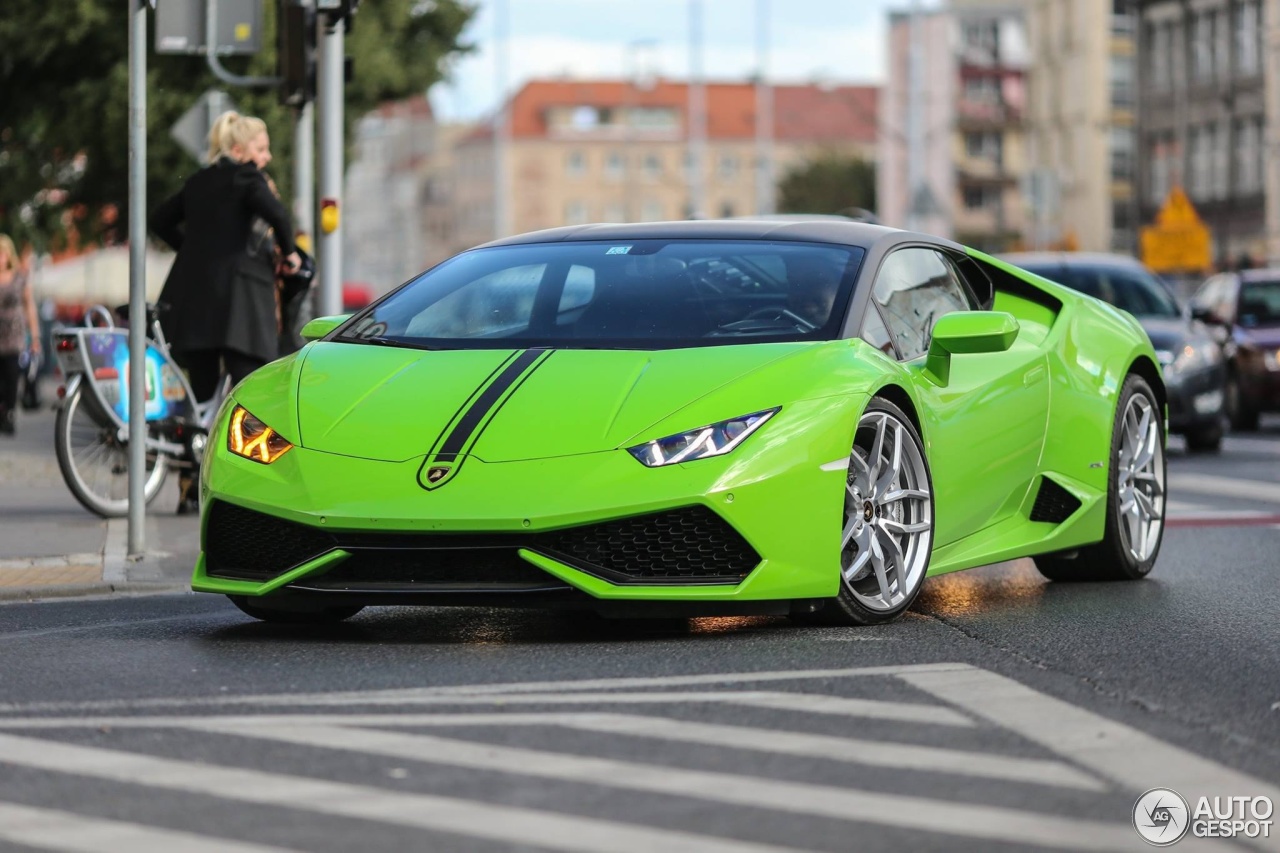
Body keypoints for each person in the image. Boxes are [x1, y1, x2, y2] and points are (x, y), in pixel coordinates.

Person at [149, 111, 300, 512]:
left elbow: (159, 219)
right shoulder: (246, 178)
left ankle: (186, 486)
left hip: (194, 296)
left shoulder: (198, 181)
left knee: (197, 395)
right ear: (239, 150)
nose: (265, 158)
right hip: (239, 304)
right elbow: (279, 216)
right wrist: (291, 254)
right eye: (260, 149)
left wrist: (196, 248)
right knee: (250, 392)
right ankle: (249, 489)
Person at [0, 234, 40, 437]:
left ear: (9, 255)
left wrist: (35, 337)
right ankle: (3, 410)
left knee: (12, 376)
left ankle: (9, 414)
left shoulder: (19, 276)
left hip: (14, 336)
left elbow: (29, 307)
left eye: (2, 253)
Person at [784, 252, 846, 328]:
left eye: (815, 282)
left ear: (842, 287)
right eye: (794, 284)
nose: (802, 293)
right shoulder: (775, 329)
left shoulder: (857, 331)